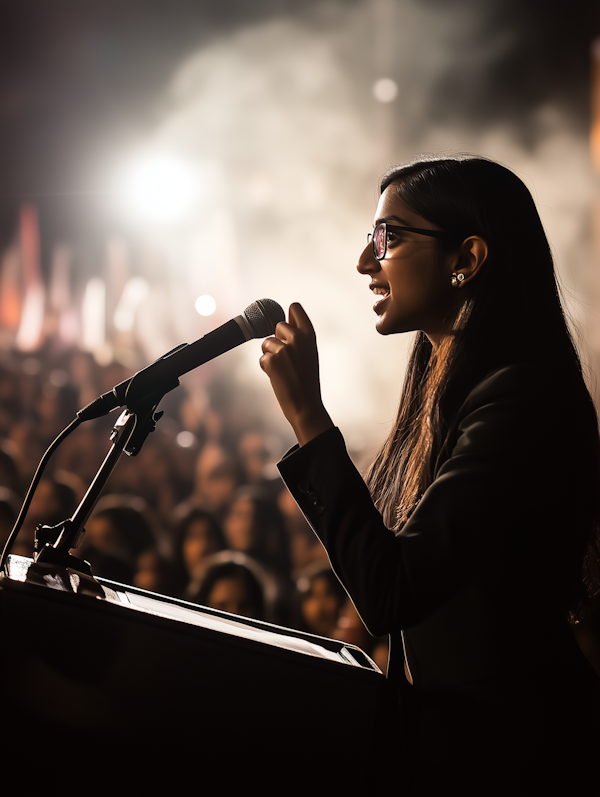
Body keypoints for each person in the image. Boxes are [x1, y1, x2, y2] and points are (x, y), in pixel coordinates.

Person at [258, 155, 600, 794]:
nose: (365, 261)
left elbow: (392, 590)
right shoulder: (472, 389)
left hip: (515, 753)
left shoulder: (521, 398)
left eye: (388, 236)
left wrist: (307, 415)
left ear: (465, 258)